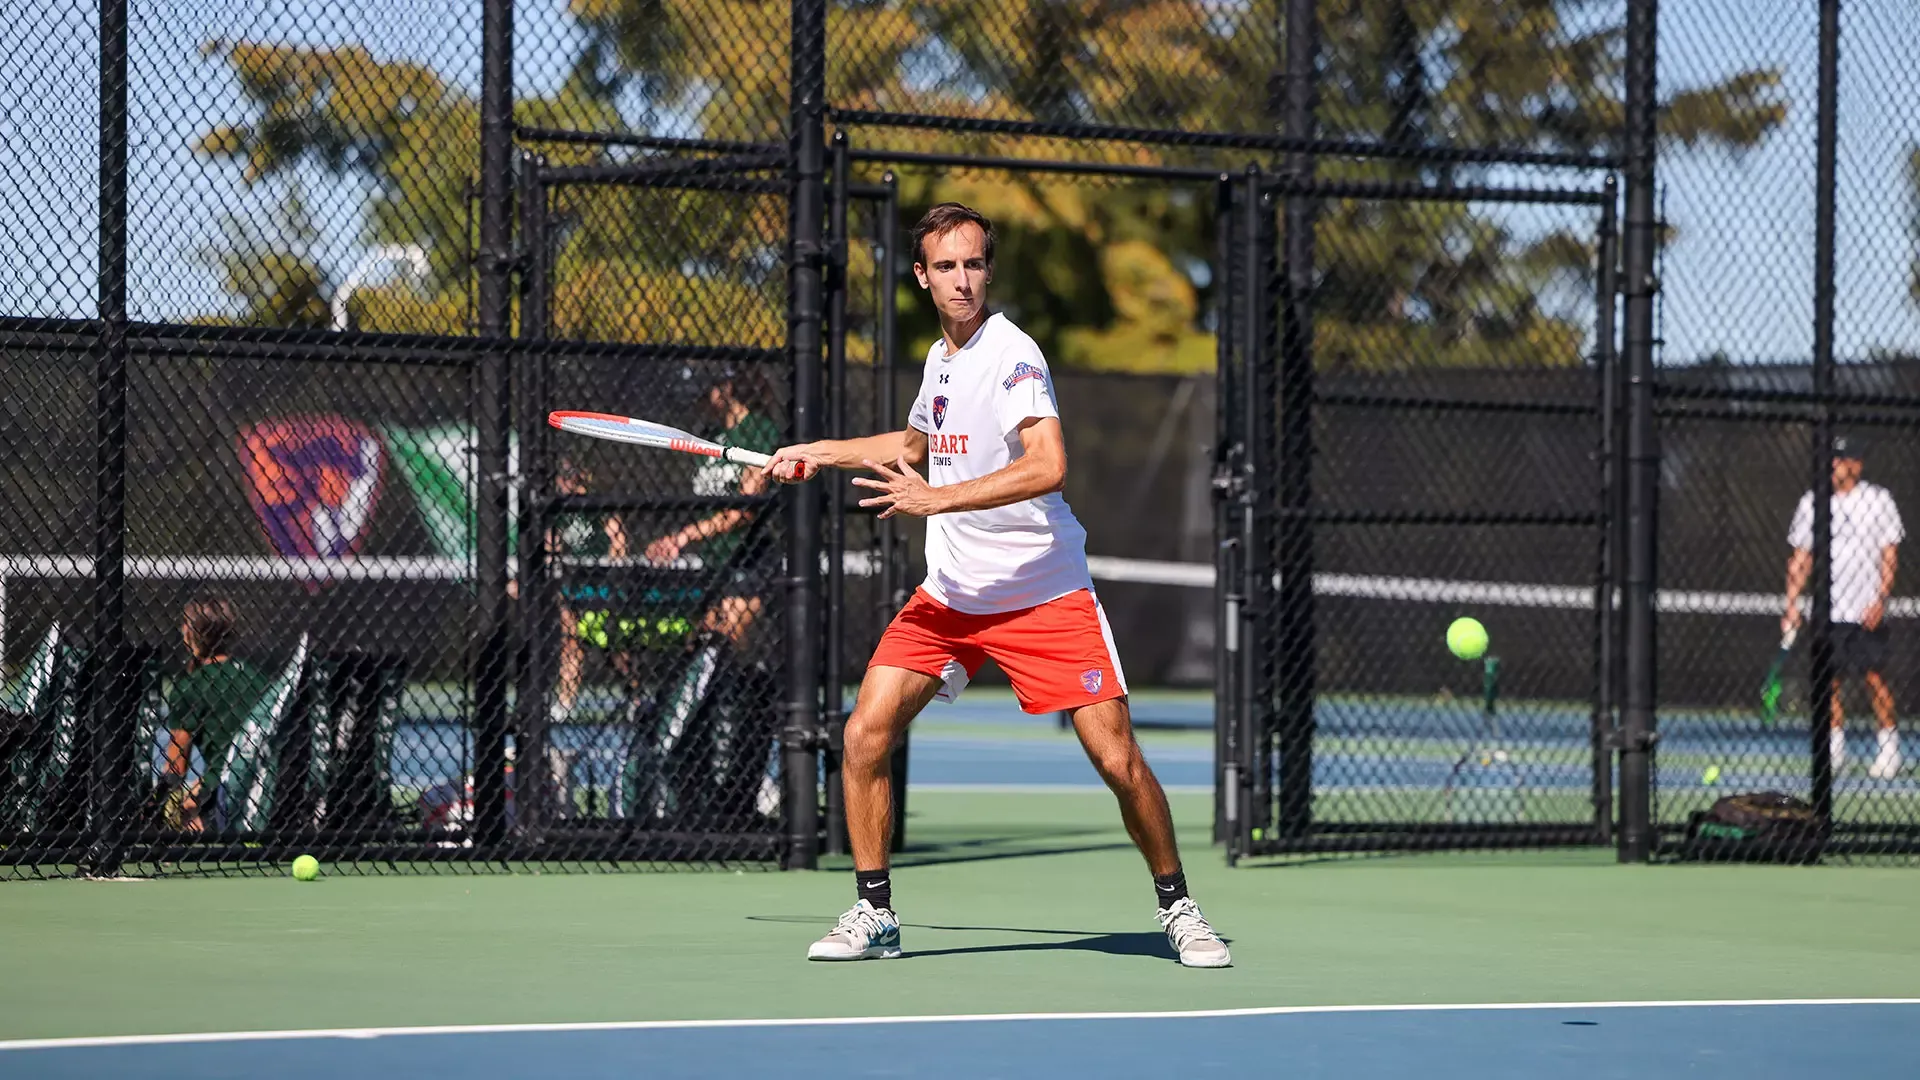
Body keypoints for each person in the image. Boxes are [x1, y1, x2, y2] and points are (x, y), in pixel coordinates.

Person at [762, 203, 1231, 968]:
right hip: (950, 599)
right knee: (863, 735)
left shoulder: (1014, 355)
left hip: (1043, 594)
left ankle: (1178, 907)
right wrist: (820, 451)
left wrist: (936, 499)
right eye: (946, 267)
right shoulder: (940, 360)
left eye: (974, 263)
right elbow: (914, 445)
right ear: (922, 276)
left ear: (989, 268)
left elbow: (1048, 465)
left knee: (1117, 761)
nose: (962, 280)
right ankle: (874, 912)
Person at [1783, 434, 1905, 779]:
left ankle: (1888, 750)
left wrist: (1880, 599)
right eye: (1831, 458)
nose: (1834, 464)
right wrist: (1792, 604)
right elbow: (1801, 558)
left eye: (1841, 459)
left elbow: (1890, 554)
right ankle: (1834, 751)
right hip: (1827, 610)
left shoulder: (1879, 500)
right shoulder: (1812, 502)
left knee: (1874, 677)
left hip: (1866, 609)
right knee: (1828, 681)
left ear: (1857, 464)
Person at [643, 367, 783, 646]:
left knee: (724, 645)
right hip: (713, 563)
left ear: (725, 389)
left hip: (749, 559)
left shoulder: (758, 430)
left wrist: (683, 537)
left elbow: (743, 510)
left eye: (702, 395)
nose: (698, 405)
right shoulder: (707, 436)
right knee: (698, 644)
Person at [163, 597, 271, 832]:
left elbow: (175, 768)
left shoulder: (191, 686)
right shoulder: (258, 678)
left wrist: (162, 808)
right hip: (266, 785)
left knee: (176, 811)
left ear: (190, 632)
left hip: (222, 793)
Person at [550, 456, 630, 718]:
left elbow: (618, 539)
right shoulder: (559, 508)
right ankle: (566, 702)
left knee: (614, 645)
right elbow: (552, 543)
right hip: (574, 583)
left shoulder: (596, 503)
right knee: (570, 642)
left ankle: (634, 699)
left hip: (603, 584)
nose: (563, 483)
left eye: (568, 477)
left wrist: (612, 576)